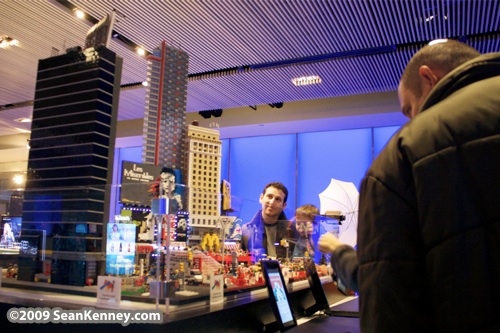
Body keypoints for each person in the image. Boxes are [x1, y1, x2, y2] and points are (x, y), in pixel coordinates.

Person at [318, 39, 500, 332]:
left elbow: (389, 299)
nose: (412, 118)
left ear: (429, 78)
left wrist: (340, 253)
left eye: (409, 108)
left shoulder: (405, 152)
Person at [241, 182, 292, 259]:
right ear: (261, 198)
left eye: (277, 199)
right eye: (269, 196)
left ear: (284, 206)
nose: (272, 202)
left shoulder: (292, 231)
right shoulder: (246, 230)